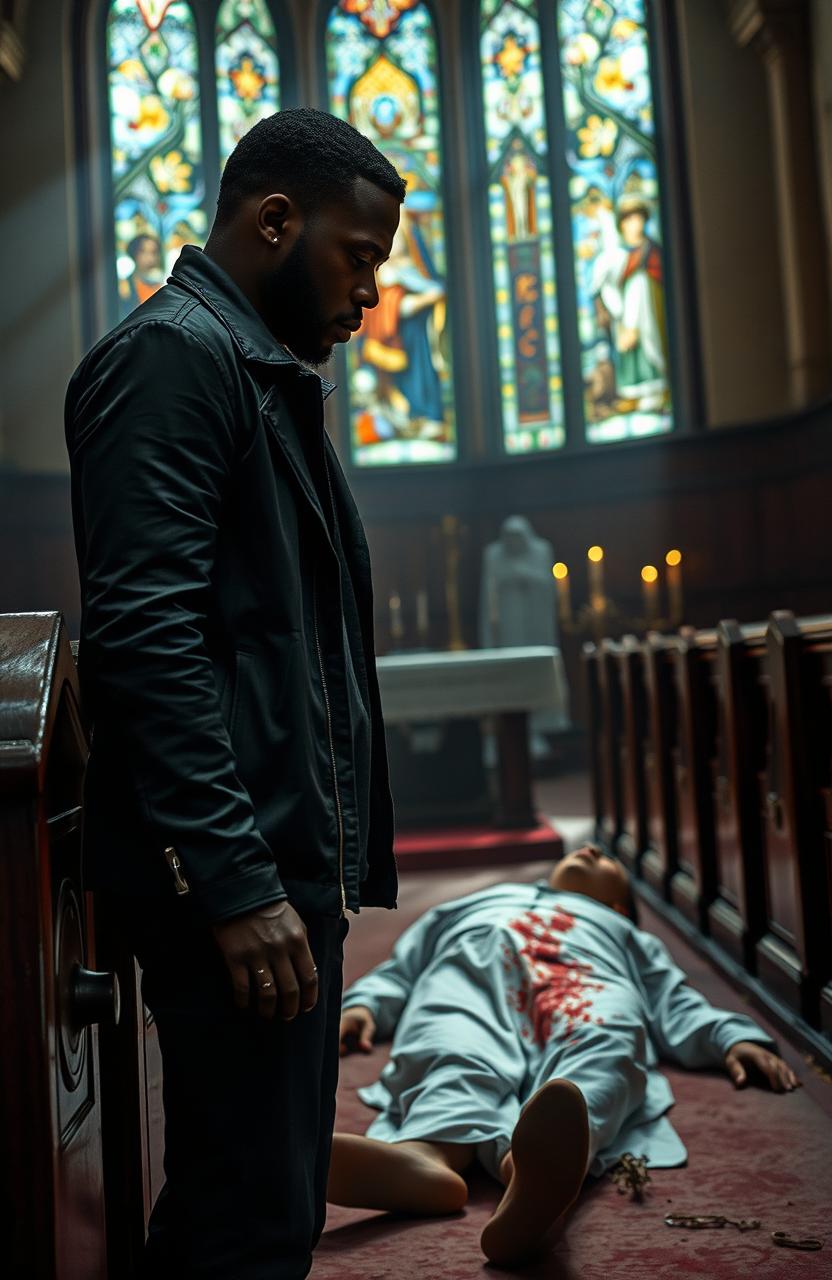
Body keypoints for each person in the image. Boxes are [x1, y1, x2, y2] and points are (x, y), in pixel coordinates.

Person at [65, 108, 403, 1279]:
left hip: (272, 851)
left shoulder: (253, 368)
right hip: (232, 868)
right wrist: (238, 879)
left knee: (272, 1200)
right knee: (242, 1220)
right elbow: (146, 636)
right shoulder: (172, 359)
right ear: (274, 221)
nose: (368, 294)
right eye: (357, 257)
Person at [330, 847, 798, 1267]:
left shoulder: (624, 933)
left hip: (582, 979)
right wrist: (363, 1005)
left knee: (605, 1039)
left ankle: (530, 1170)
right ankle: (427, 1157)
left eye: (607, 863)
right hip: (475, 971)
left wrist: (731, 1038)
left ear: (619, 907)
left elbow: (674, 1001)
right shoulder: (474, 903)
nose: (590, 849)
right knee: (452, 1042)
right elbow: (402, 969)